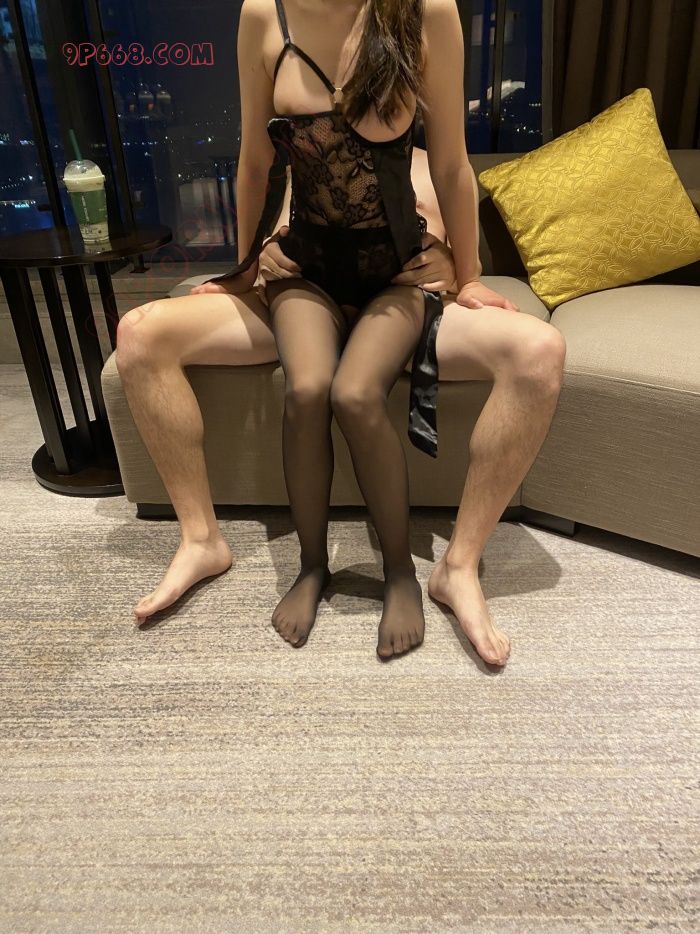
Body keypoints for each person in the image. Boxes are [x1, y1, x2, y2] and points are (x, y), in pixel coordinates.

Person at [115, 0, 567, 666]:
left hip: (396, 274)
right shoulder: (263, 14)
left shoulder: (424, 11)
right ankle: (301, 564)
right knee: (306, 391)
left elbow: (451, 166)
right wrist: (244, 271)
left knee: (356, 395)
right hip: (306, 271)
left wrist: (467, 275)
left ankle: (413, 574)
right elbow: (253, 163)